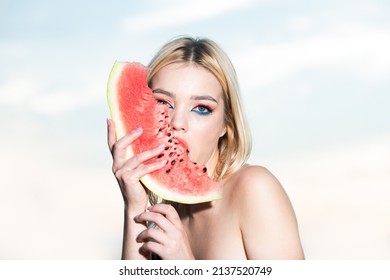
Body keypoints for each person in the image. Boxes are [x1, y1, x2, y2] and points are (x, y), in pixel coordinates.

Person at [107, 36, 305, 260]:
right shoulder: (167, 216)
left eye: (201, 108)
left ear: (226, 125)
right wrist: (134, 206)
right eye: (163, 103)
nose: (177, 123)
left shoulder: (254, 189)